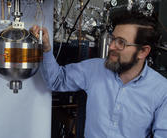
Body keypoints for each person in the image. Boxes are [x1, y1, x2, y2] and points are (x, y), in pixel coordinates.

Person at [31, 11, 167, 138]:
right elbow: (56, 80)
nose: (112, 46)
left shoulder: (161, 91)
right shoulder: (94, 69)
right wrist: (47, 49)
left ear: (143, 51)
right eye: (112, 39)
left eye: (121, 42)